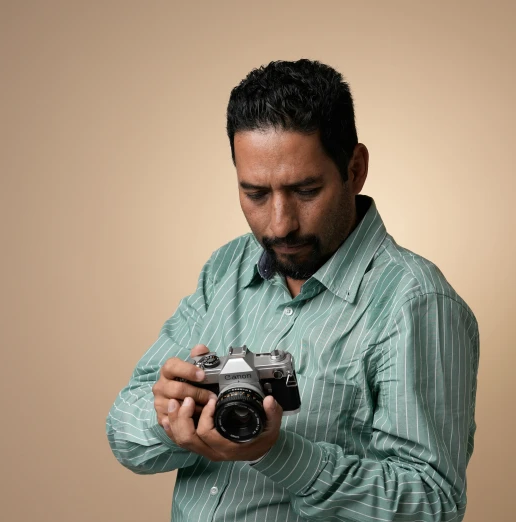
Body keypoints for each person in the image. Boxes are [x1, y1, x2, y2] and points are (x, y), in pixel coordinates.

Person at [106, 59, 480, 522]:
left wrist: (277, 452)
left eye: (305, 190)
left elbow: (432, 505)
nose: (279, 224)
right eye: (256, 194)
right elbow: (125, 435)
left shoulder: (415, 304)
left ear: (355, 169)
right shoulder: (226, 268)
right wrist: (170, 417)